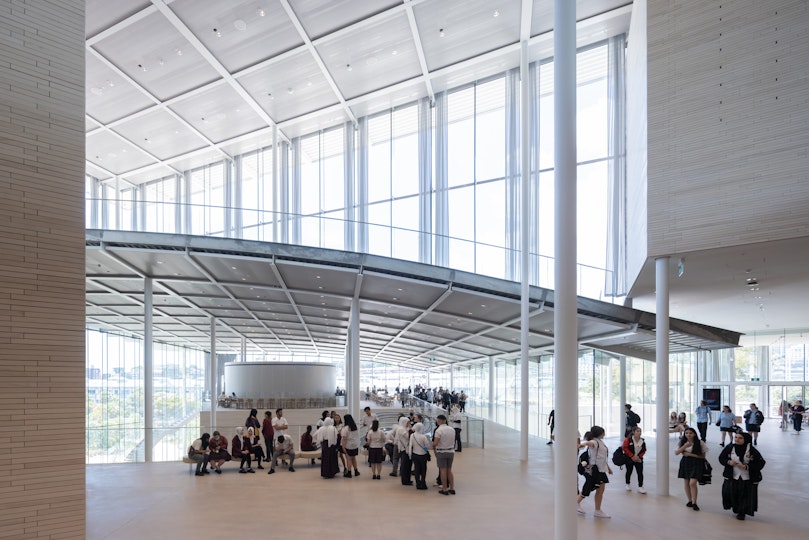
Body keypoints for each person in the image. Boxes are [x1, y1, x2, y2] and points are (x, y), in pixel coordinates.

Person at [718, 431, 765, 520]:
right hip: (732, 476)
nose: (737, 439)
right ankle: (736, 508)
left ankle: (742, 512)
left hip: (747, 477)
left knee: (744, 494)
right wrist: (728, 462)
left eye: (740, 438)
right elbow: (721, 458)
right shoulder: (730, 447)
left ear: (746, 440)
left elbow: (761, 463)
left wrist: (747, 466)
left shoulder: (752, 450)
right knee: (731, 493)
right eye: (736, 437)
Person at [576, 426, 613, 518]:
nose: (604, 434)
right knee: (587, 489)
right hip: (594, 471)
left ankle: (597, 510)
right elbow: (589, 443)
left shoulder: (600, 442)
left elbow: (602, 457)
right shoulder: (595, 442)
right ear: (600, 433)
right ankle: (575, 503)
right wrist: (581, 445)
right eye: (603, 432)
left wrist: (608, 468)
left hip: (601, 470)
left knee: (600, 490)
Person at [675, 427, 707, 511]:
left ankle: (694, 502)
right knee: (686, 482)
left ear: (694, 434)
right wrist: (685, 446)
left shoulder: (700, 443)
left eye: (690, 433)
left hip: (697, 463)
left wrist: (690, 454)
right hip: (685, 463)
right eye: (686, 433)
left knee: (692, 483)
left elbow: (703, 456)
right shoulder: (682, 442)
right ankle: (690, 500)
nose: (688, 435)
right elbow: (676, 452)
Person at [433, 414, 456, 495]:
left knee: (443, 470)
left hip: (442, 452)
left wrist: (434, 449)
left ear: (438, 421)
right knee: (449, 470)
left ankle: (444, 489)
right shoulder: (452, 429)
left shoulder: (438, 430)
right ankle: (452, 488)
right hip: (451, 452)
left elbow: (435, 443)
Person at [622, 426, 647, 493]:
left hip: (638, 459)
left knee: (640, 473)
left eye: (640, 431)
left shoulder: (642, 441)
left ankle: (640, 486)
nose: (639, 433)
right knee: (629, 471)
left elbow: (644, 450)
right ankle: (627, 484)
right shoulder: (628, 440)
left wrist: (638, 457)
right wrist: (632, 456)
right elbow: (625, 448)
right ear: (633, 432)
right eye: (637, 431)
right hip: (629, 459)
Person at [409, 422, 430, 490]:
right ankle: (423, 483)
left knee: (417, 469)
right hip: (423, 455)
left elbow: (410, 445)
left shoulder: (412, 435)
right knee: (423, 469)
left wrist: (410, 454)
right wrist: (424, 449)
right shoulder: (423, 436)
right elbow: (427, 446)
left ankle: (418, 483)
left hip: (415, 454)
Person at [341, 413, 361, 478]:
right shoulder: (355, 427)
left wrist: (343, 447)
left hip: (348, 445)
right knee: (353, 458)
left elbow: (344, 439)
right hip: (355, 445)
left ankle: (349, 473)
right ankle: (356, 471)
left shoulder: (345, 428)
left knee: (348, 459)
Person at [395, 415, 413, 485]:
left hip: (407, 448)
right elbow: (407, 436)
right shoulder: (401, 429)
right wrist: (410, 429)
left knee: (408, 465)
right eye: (407, 422)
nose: (409, 424)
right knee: (405, 465)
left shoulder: (404, 428)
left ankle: (408, 479)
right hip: (404, 449)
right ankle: (405, 480)